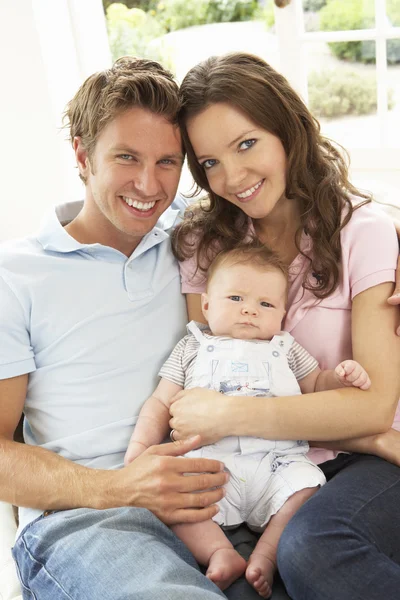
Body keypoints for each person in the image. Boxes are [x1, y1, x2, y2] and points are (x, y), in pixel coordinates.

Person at [0, 56, 257, 600]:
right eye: (126, 157)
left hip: (230, 492)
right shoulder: (14, 275)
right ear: (81, 154)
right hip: (92, 519)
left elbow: (313, 211)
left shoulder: (194, 237)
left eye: (167, 161)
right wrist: (119, 487)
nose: (148, 184)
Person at [166, 52, 400, 600]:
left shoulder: (361, 232)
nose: (234, 176)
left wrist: (233, 413)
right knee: (242, 590)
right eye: (210, 163)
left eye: (246, 144)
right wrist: (361, 427)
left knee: (313, 548)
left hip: (371, 462)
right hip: (267, 468)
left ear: (287, 128)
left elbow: (372, 403)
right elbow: (206, 374)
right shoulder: (203, 246)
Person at [126, 242, 371, 598]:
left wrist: (341, 378)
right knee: (172, 497)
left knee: (307, 486)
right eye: (236, 299)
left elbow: (316, 385)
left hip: (276, 463)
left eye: (265, 304)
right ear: (206, 305)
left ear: (282, 315)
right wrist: (139, 449)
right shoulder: (191, 346)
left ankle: (267, 553)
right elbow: (160, 402)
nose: (250, 311)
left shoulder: (285, 348)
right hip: (207, 464)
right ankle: (219, 551)